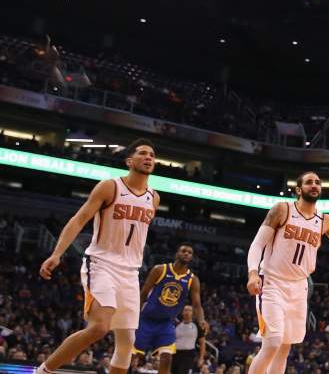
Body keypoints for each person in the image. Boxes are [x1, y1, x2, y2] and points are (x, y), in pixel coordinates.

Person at [36, 139, 160, 374]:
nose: (148, 158)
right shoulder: (110, 187)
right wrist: (57, 253)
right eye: (143, 153)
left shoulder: (154, 197)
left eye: (152, 155)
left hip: (130, 272)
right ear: (129, 161)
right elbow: (79, 220)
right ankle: (42, 371)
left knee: (127, 342)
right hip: (102, 264)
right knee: (99, 327)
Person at [246, 171, 329, 374]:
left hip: (299, 286)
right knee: (272, 343)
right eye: (309, 182)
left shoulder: (325, 221)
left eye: (318, 182)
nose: (314, 185)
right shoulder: (282, 210)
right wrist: (253, 273)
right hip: (272, 282)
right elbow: (257, 244)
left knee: (284, 347)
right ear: (299, 190)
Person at [134, 243, 207, 374]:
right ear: (177, 254)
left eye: (190, 253)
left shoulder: (192, 279)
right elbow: (144, 293)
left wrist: (201, 320)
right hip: (146, 320)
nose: (186, 254)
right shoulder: (160, 270)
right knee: (134, 355)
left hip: (166, 323)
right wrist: (134, 316)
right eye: (184, 251)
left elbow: (197, 305)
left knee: (167, 357)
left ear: (191, 258)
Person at [172, 306, 204, 374]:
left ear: (192, 313)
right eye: (185, 310)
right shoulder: (176, 325)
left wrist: (201, 358)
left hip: (188, 355)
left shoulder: (197, 326)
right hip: (175, 354)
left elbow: (202, 343)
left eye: (189, 310)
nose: (187, 312)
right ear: (182, 312)